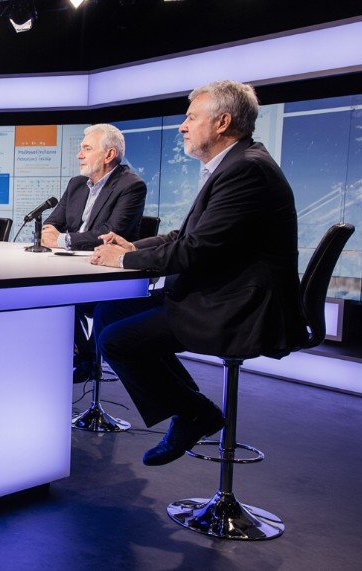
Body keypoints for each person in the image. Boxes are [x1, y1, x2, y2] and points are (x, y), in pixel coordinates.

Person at [90, 80, 306, 466]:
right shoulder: (235, 164)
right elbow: (186, 236)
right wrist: (133, 248)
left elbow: (196, 250)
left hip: (239, 307)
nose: (182, 126)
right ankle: (191, 409)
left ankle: (193, 412)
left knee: (118, 340)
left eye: (191, 117)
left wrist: (121, 262)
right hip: (220, 291)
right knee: (110, 309)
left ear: (222, 122)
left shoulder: (247, 171)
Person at [40, 124, 147, 383]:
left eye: (86, 149)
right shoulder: (77, 184)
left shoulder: (131, 185)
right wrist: (50, 231)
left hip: (106, 272)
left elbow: (110, 232)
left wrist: (63, 239)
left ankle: (86, 358)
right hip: (74, 265)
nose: (79, 155)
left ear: (109, 155)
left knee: (60, 294)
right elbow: (53, 221)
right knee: (43, 292)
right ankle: (76, 356)